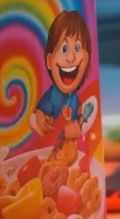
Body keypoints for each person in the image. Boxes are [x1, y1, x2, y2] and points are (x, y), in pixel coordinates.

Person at [31, 11, 92, 164]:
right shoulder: (53, 96)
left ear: (87, 57)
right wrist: (41, 119)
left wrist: (77, 125)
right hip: (54, 150)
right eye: (64, 49)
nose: (71, 58)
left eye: (77, 48)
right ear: (50, 60)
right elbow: (40, 115)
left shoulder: (75, 98)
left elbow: (81, 121)